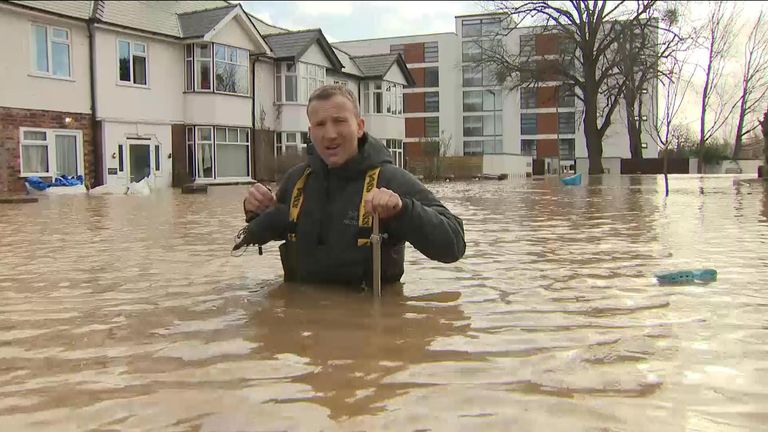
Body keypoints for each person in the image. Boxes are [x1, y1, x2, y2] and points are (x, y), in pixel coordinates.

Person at [238, 84, 465, 286]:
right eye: (320, 124)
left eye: (339, 121)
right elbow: (268, 231)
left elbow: (454, 244)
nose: (330, 134)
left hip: (370, 328)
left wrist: (403, 210)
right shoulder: (296, 181)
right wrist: (254, 209)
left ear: (359, 126)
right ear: (310, 133)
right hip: (302, 326)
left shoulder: (391, 180)